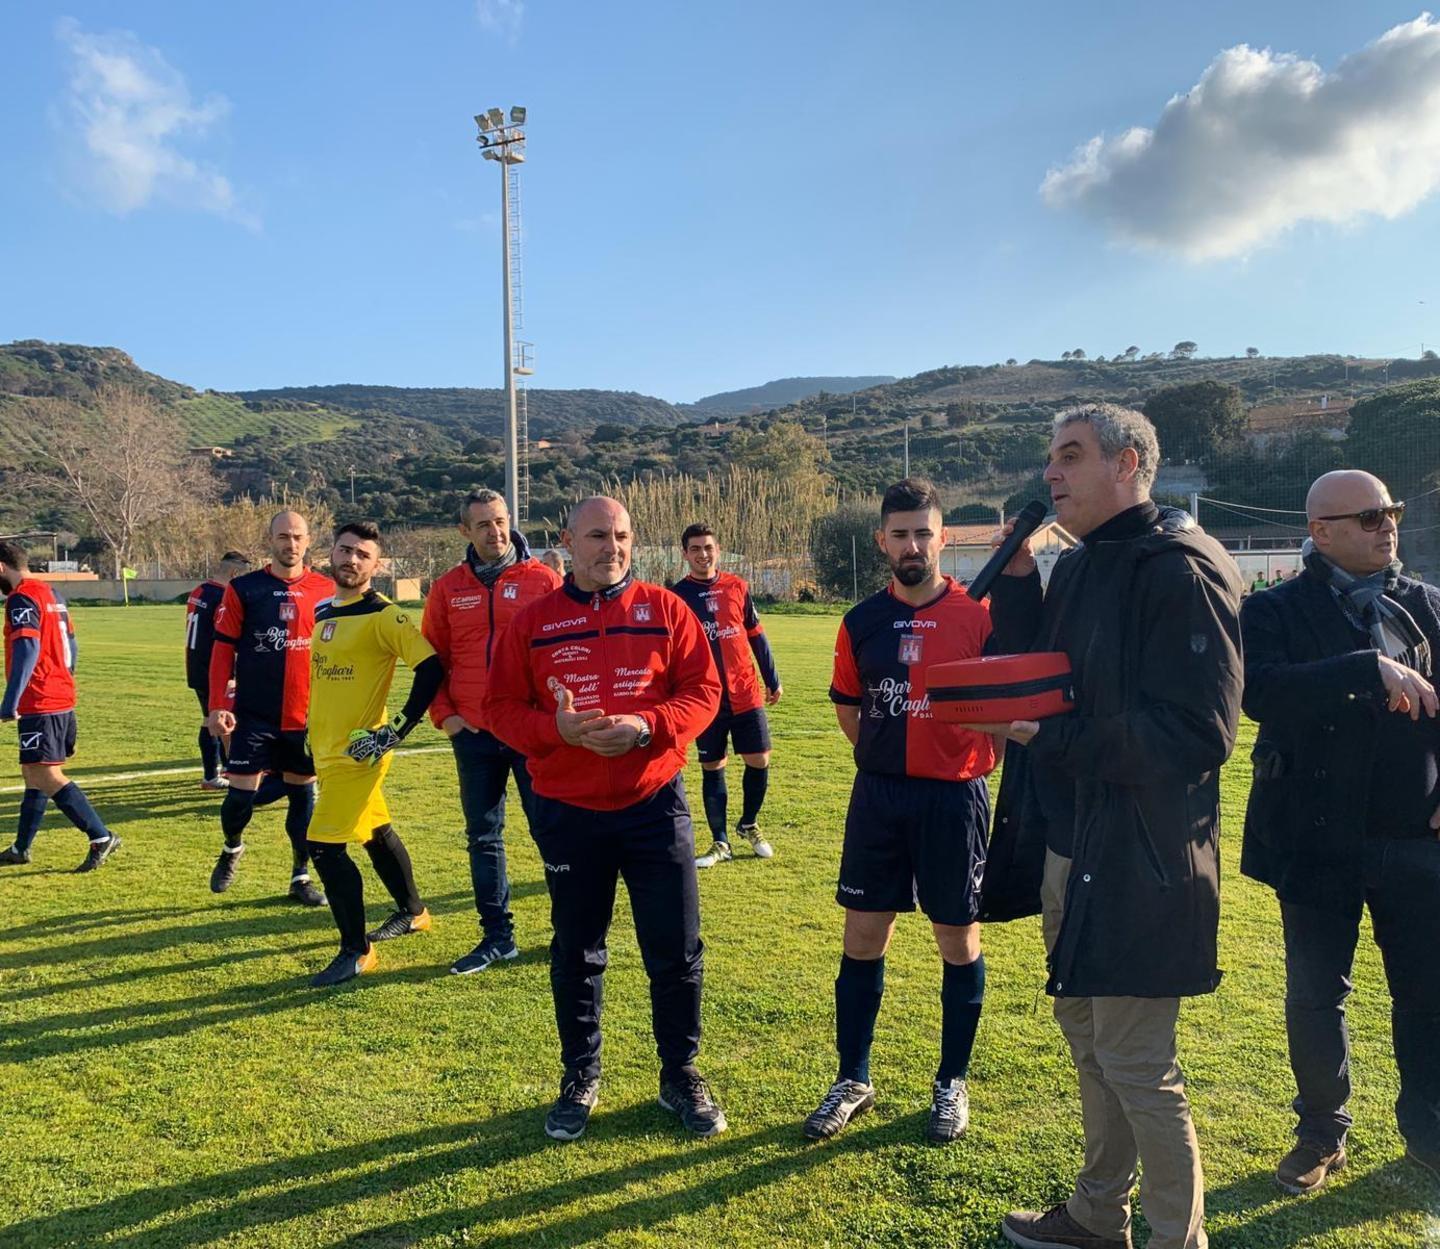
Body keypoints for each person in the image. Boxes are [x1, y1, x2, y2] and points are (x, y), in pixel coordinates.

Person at [980, 404, 1243, 1249]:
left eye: (1069, 456)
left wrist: (1057, 737)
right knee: (1091, 1040)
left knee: (1136, 1060)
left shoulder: (1181, 567)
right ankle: (1100, 1214)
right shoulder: (1086, 564)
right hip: (1073, 843)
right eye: (1049, 457)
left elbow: (1199, 732)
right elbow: (1053, 675)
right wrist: (1018, 583)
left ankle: (1177, 1237)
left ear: (1129, 462)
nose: (1050, 474)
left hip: (1143, 856)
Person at [485, 496, 725, 1142]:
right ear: (567, 540)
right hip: (570, 810)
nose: (611, 546)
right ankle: (580, 1075)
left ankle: (680, 1072)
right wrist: (556, 730)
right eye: (597, 535)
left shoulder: (667, 608)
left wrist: (649, 725)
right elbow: (500, 707)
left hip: (654, 805)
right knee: (577, 949)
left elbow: (705, 692)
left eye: (620, 535)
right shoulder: (533, 621)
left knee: (674, 950)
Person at [1241, 470, 1440, 1193]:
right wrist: (1367, 667)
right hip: (1315, 837)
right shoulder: (1271, 611)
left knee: (1427, 994)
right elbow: (1259, 690)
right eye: (1367, 516)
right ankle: (1322, 1132)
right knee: (1315, 995)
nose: (1386, 524)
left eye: (1390, 510)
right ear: (1320, 531)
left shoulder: (1428, 605)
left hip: (1418, 837)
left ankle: (1429, 1132)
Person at [804, 478, 1017, 1147]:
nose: (912, 544)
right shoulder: (860, 621)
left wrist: (964, 754)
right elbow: (848, 705)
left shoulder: (978, 616)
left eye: (924, 532)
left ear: (943, 537)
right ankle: (852, 1078)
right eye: (900, 534)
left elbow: (1007, 712)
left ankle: (951, 1080)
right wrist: (889, 752)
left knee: (957, 939)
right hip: (880, 798)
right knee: (863, 937)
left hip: (954, 798)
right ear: (882, 541)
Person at [422, 489, 561, 975]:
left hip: (529, 732)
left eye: (500, 521)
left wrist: (548, 720)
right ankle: (497, 938)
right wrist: (447, 717)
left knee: (552, 832)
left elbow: (563, 653)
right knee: (483, 837)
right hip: (474, 735)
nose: (495, 532)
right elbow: (431, 661)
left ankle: (568, 933)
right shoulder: (447, 589)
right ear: (465, 531)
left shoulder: (543, 581)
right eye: (482, 525)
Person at [304, 522, 446, 988]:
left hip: (358, 754)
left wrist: (394, 732)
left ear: (376, 565)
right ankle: (414, 911)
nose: (351, 560)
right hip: (325, 750)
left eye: (362, 555)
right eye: (345, 551)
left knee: (323, 847)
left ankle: (357, 952)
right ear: (331, 553)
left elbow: (430, 669)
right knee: (375, 830)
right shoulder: (324, 609)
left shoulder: (386, 616)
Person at [206, 511, 335, 905]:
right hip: (255, 715)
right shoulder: (245, 588)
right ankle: (232, 848)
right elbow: (222, 649)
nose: (290, 544)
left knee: (302, 800)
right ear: (271, 539)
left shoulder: (326, 589)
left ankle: (300, 877)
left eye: (297, 537)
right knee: (240, 799)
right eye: (283, 536)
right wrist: (216, 707)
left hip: (306, 718)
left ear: (308, 540)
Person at [0, 540, 119, 871]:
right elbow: (72, 645)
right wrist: (63, 679)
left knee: (45, 772)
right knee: (31, 772)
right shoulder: (52, 594)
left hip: (41, 699)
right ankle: (21, 847)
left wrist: (10, 701)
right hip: (60, 694)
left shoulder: (21, 597)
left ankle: (101, 836)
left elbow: (26, 646)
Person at [671, 523, 782, 868]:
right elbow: (672, 651)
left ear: (718, 550)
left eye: (708, 548)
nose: (703, 555)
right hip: (705, 698)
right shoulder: (677, 596)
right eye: (695, 549)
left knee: (759, 759)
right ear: (685, 554)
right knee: (712, 765)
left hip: (746, 692)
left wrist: (772, 679)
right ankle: (720, 842)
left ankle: (749, 823)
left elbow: (756, 637)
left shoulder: (738, 587)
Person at [185, 551, 250, 790]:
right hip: (215, 668)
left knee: (209, 719)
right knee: (225, 721)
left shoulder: (199, 591)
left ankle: (218, 771)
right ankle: (226, 773)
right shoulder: (224, 596)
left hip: (195, 664)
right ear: (234, 573)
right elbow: (225, 636)